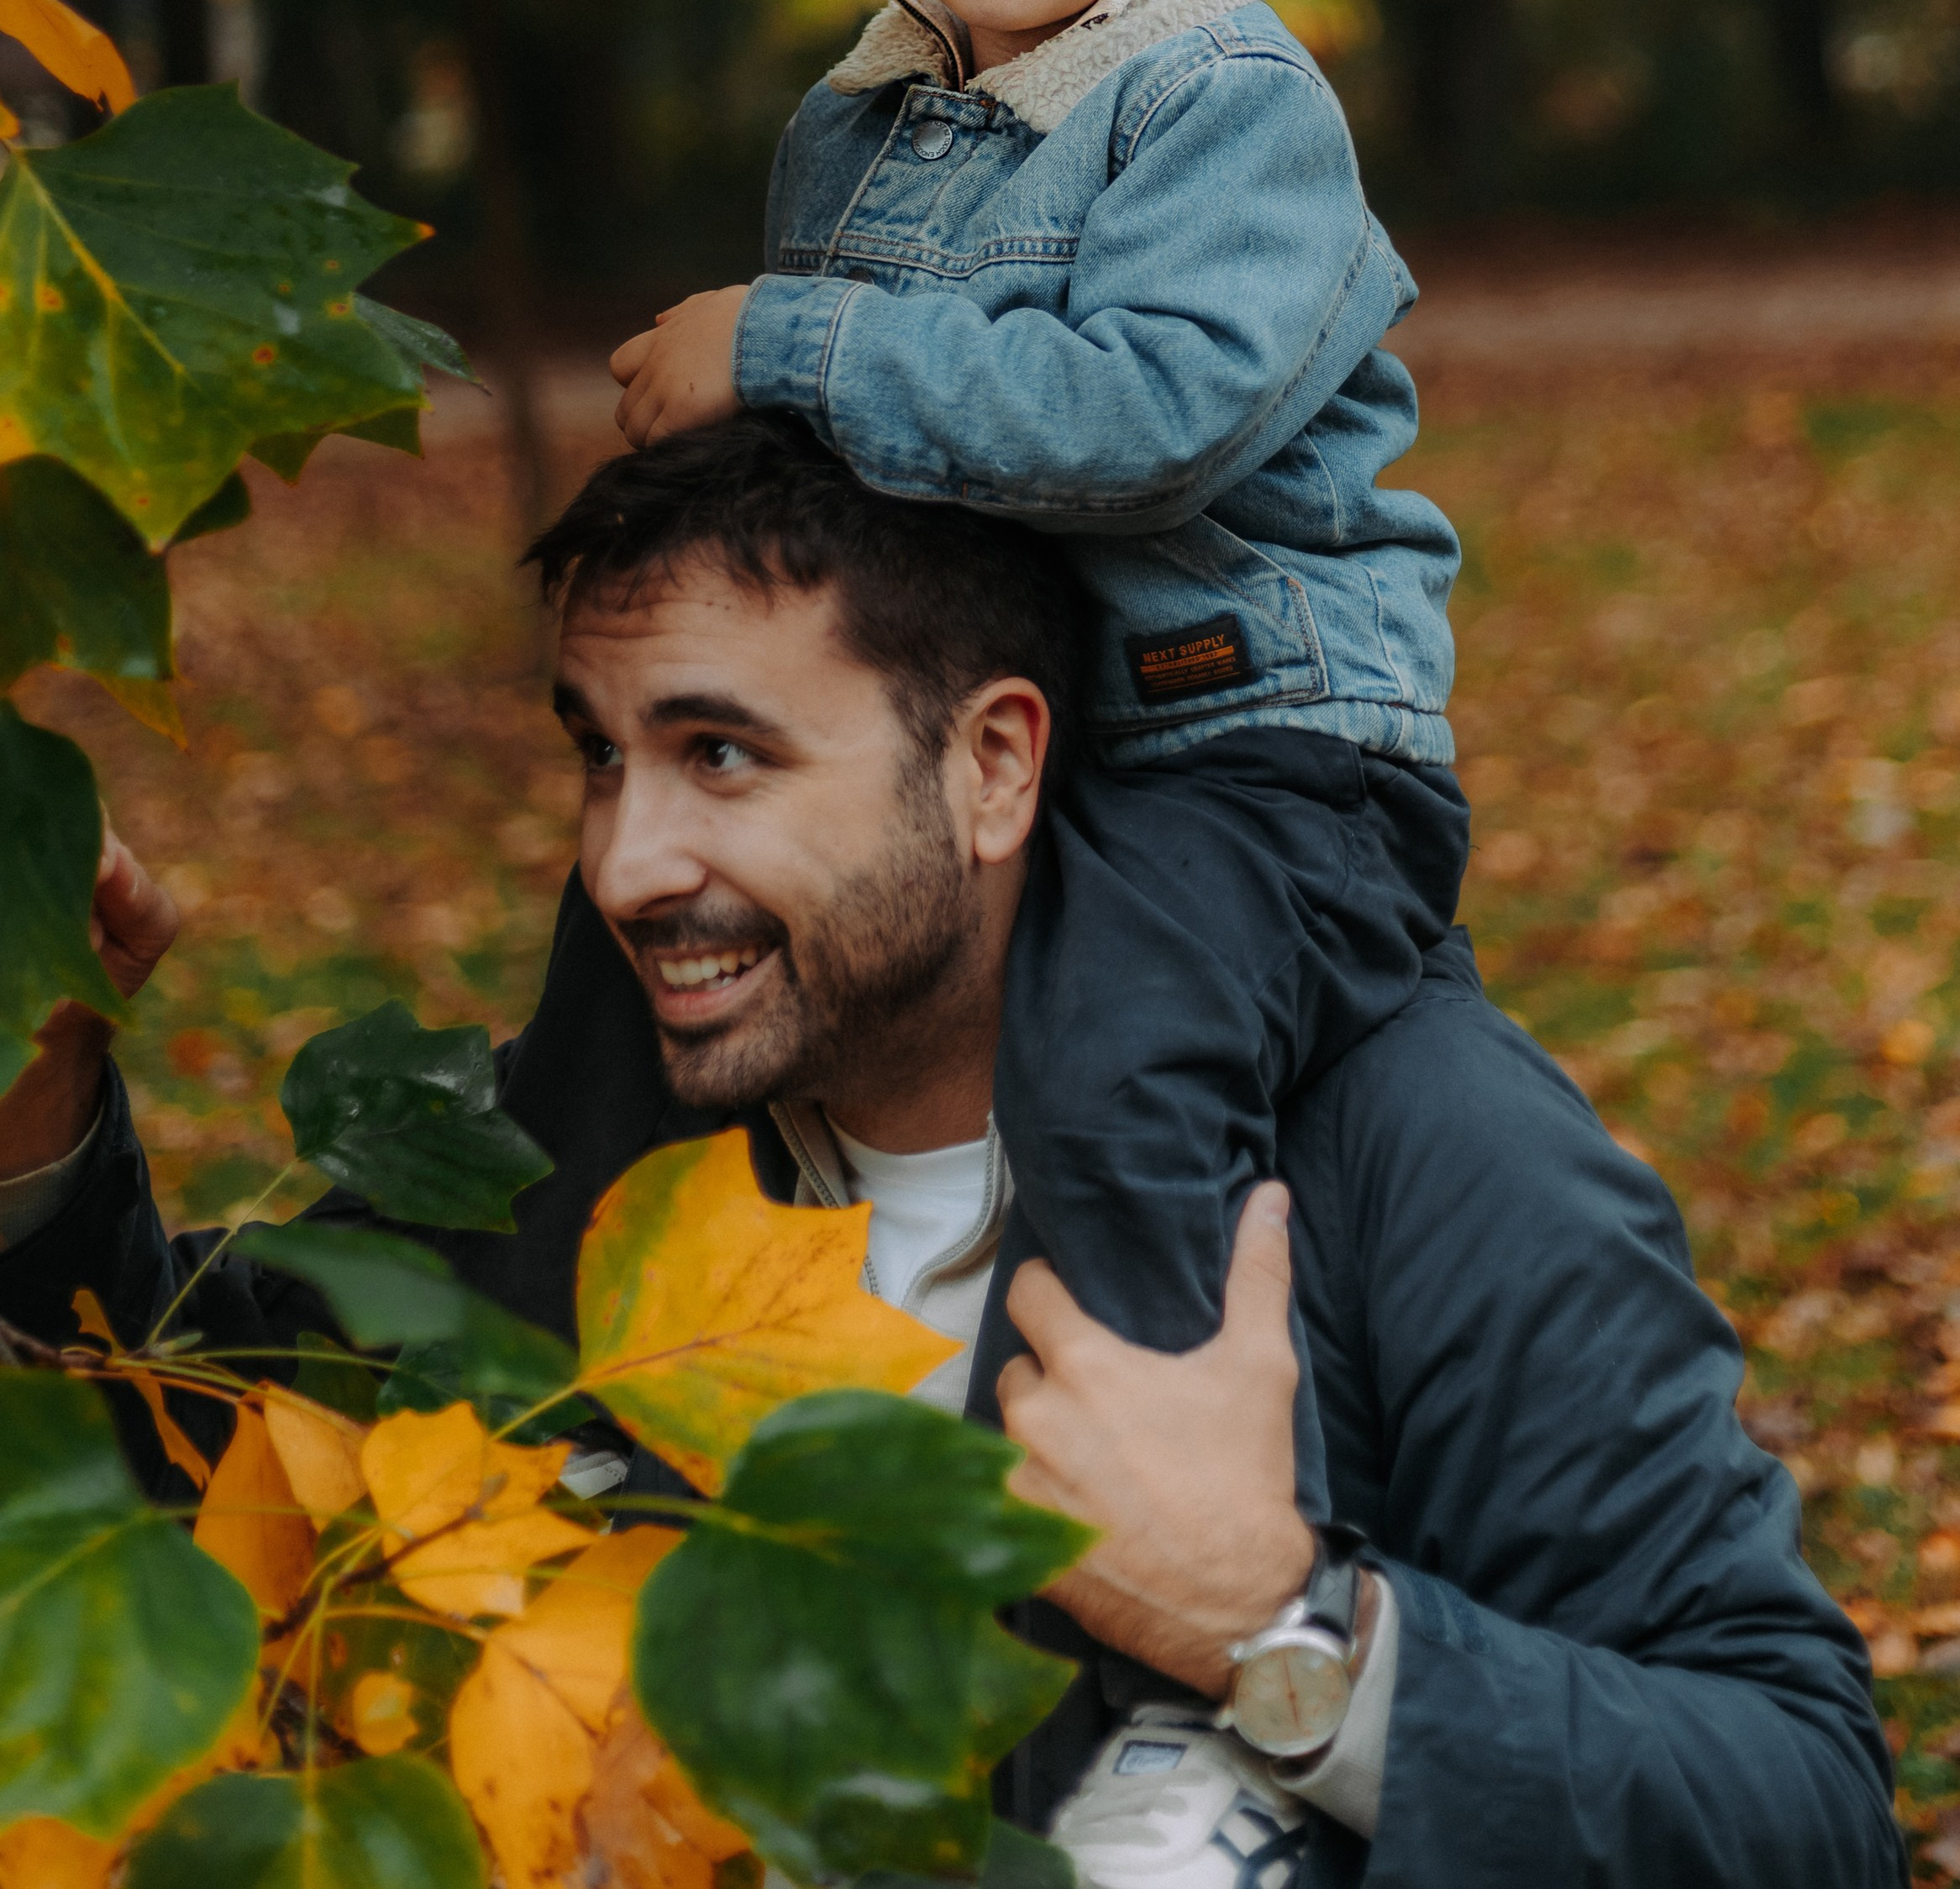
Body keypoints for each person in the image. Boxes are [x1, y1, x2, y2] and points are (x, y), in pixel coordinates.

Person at [0, 422, 1905, 1886]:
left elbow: (1803, 1801)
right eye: (600, 753)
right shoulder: (576, 1138)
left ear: (993, 764)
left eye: (723, 754)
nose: (628, 861)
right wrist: (35, 1104)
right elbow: (180, 1501)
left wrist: (1274, 1626)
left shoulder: (1401, 1142)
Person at [605, 0, 1468, 1519]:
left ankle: (1204, 1566)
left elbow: (1145, 415)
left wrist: (783, 344)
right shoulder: (863, 119)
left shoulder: (1226, 109)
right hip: (1004, 739)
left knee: (1124, 1090)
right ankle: (660, 1429)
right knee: (703, 985)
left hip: (1258, 751)